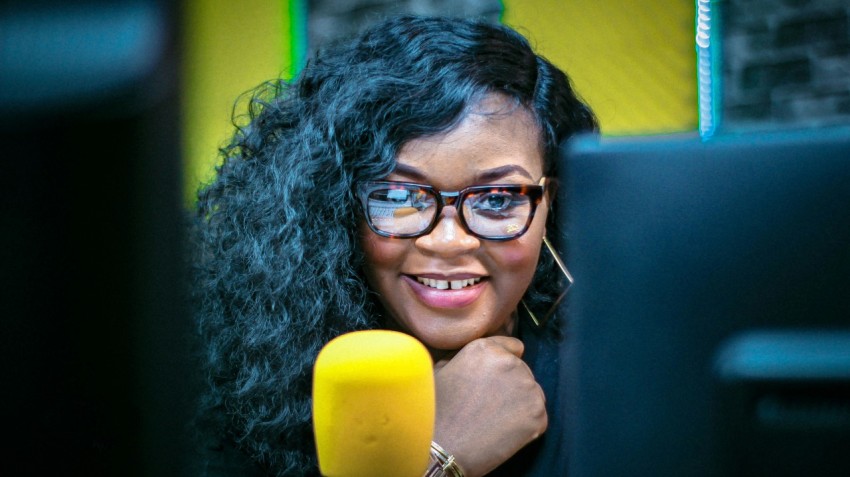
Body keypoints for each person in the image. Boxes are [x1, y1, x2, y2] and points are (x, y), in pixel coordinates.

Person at [189, 14, 598, 477]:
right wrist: (441, 456)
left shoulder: (615, 389)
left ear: (551, 203)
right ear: (337, 203)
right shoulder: (241, 393)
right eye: (400, 198)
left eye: (497, 199)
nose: (449, 241)